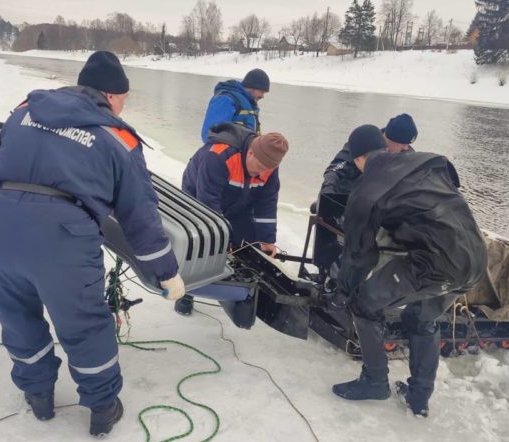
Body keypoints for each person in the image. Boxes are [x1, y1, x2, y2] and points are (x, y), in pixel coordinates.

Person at [0, 51, 185, 437]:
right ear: (110, 94)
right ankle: (103, 406)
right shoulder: (117, 137)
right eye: (123, 98)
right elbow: (140, 216)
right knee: (84, 324)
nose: (123, 107)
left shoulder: (25, 110)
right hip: (60, 237)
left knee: (17, 315)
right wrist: (166, 273)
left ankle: (38, 395)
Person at [328, 125, 487, 417]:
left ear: (358, 158)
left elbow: (359, 256)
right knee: (421, 317)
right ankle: (418, 398)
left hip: (435, 263)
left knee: (363, 304)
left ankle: (375, 382)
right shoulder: (426, 160)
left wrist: (342, 291)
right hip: (476, 258)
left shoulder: (366, 191)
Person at [177, 123, 289, 315]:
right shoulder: (219, 155)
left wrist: (267, 240)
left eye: (267, 170)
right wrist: (223, 240)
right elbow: (208, 205)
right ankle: (186, 291)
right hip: (198, 196)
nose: (261, 174)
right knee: (201, 242)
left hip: (239, 201)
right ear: (251, 153)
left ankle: (238, 287)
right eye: (260, 168)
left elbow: (267, 204)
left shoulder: (269, 167)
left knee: (248, 243)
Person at [314, 114, 419, 280]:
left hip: (377, 205)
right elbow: (336, 167)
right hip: (349, 195)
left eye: (409, 144)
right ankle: (325, 266)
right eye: (403, 143)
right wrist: (329, 189)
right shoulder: (364, 140)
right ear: (388, 138)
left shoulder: (406, 155)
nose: (406, 148)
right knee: (320, 208)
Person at [200, 68, 270, 143]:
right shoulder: (226, 99)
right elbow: (210, 135)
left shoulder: (250, 105)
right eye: (262, 92)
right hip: (227, 154)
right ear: (252, 87)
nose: (263, 96)